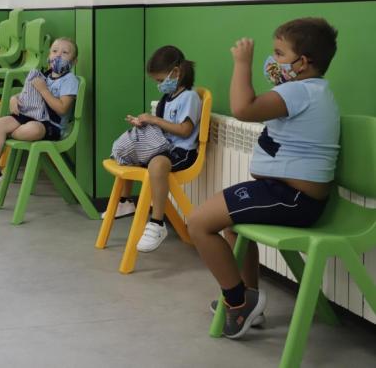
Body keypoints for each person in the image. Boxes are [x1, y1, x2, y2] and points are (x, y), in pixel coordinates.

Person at [188, 18, 339, 339]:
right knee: (230, 225)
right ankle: (250, 298)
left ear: (303, 62)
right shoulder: (310, 90)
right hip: (285, 193)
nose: (273, 60)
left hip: (293, 199)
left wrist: (242, 63)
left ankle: (238, 302)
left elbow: (243, 109)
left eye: (279, 54)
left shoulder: (300, 91)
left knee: (199, 223)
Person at [105, 46, 201, 253]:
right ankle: (125, 201)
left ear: (176, 72)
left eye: (160, 80)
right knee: (131, 147)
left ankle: (157, 223)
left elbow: (185, 130)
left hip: (181, 151)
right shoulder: (168, 98)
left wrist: (154, 120)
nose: (159, 85)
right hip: (164, 146)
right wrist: (144, 123)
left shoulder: (190, 97)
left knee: (157, 165)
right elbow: (161, 128)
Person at [0, 37, 79, 189]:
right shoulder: (44, 75)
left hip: (52, 125)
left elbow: (62, 108)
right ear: (49, 56)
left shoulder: (69, 80)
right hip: (31, 115)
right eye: (55, 51)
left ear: (74, 61)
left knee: (34, 129)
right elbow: (29, 95)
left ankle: (4, 133)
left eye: (65, 53)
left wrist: (43, 90)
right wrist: (14, 98)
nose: (58, 55)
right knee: (1, 122)